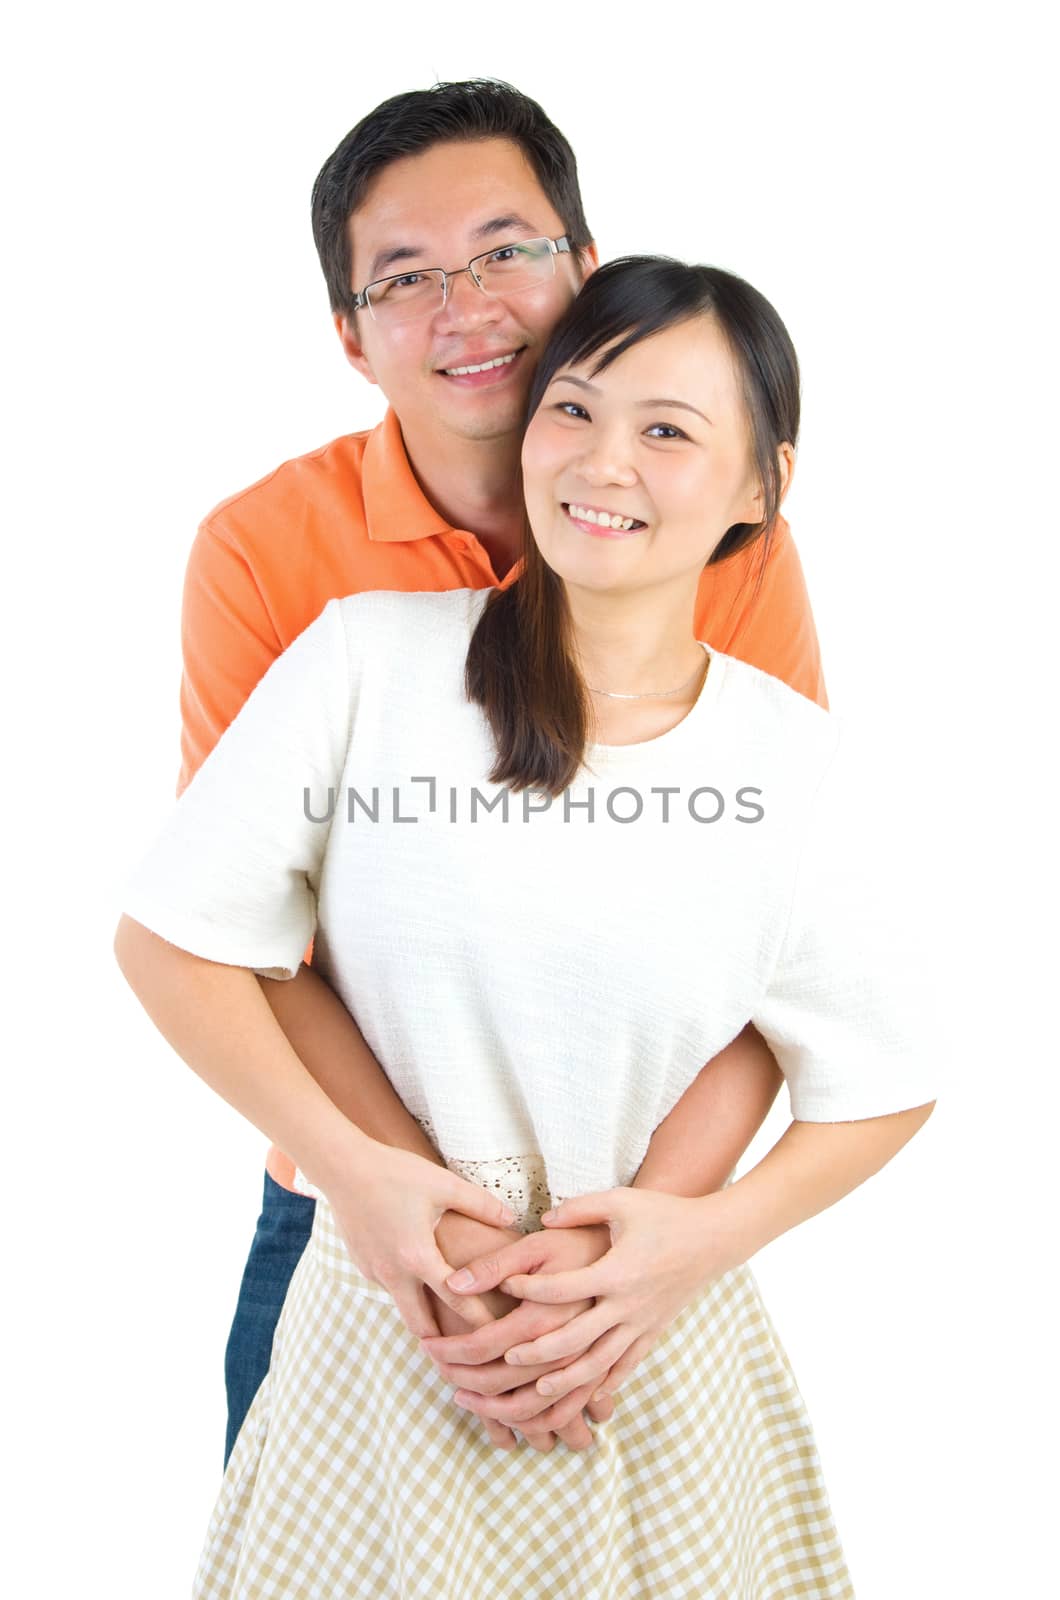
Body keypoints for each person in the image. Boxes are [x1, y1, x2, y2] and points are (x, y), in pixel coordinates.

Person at [115, 253, 938, 1596]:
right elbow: (175, 938)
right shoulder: (367, 660)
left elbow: (882, 1082)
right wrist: (364, 1186)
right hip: (391, 1328)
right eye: (575, 409)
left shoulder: (794, 762)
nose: (604, 462)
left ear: (758, 488)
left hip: (645, 1348)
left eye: (669, 432)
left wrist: (691, 1245)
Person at [179, 79, 830, 1464]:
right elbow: (247, 941)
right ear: (353, 341)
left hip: (631, 1231)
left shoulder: (723, 537)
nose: (464, 305)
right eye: (404, 278)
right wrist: (413, 1204)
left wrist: (635, 1251)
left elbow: (781, 936)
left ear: (582, 269)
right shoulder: (266, 557)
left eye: (504, 250)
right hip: (347, 1210)